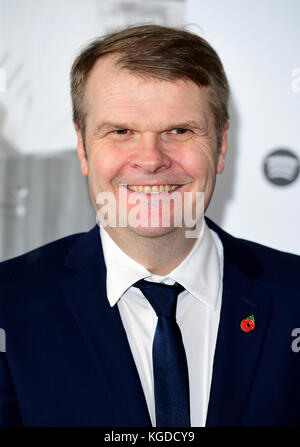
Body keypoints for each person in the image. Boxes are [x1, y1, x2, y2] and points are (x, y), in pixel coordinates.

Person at [0, 24, 299, 428]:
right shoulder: (9, 302)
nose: (151, 158)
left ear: (221, 145)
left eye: (179, 131)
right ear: (83, 147)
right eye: (121, 132)